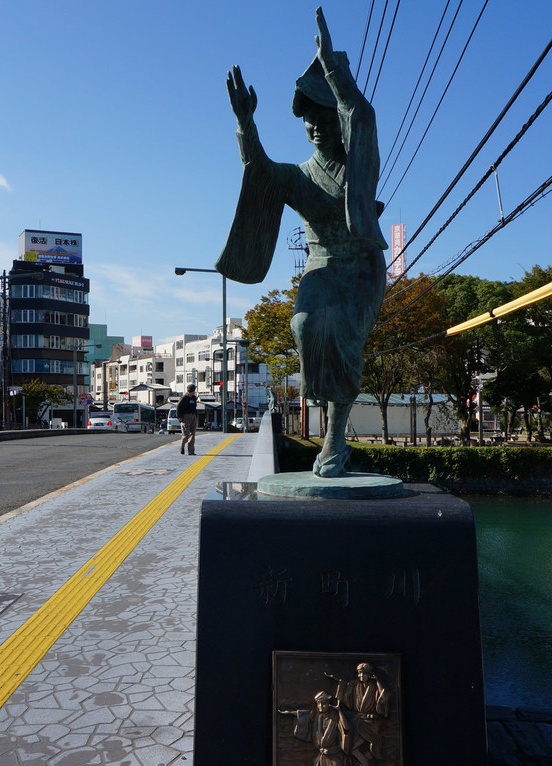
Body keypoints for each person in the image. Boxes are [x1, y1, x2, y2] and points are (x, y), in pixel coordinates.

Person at [215, 7, 387, 478]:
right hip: (320, 266)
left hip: (362, 266)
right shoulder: (299, 176)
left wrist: (333, 71)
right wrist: (246, 123)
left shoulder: (360, 162)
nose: (314, 125)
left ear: (337, 119)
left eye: (322, 116)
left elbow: (362, 115)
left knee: (344, 330)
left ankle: (335, 437)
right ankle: (332, 428)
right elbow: (261, 172)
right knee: (306, 323)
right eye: (307, 118)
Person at [178, 384, 199, 455]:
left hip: (193, 416)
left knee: (192, 434)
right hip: (185, 416)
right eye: (194, 390)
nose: (194, 392)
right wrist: (179, 416)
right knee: (186, 434)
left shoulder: (194, 398)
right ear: (191, 391)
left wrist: (195, 416)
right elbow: (178, 407)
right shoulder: (184, 398)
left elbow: (195, 407)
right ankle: (182, 445)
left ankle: (191, 451)